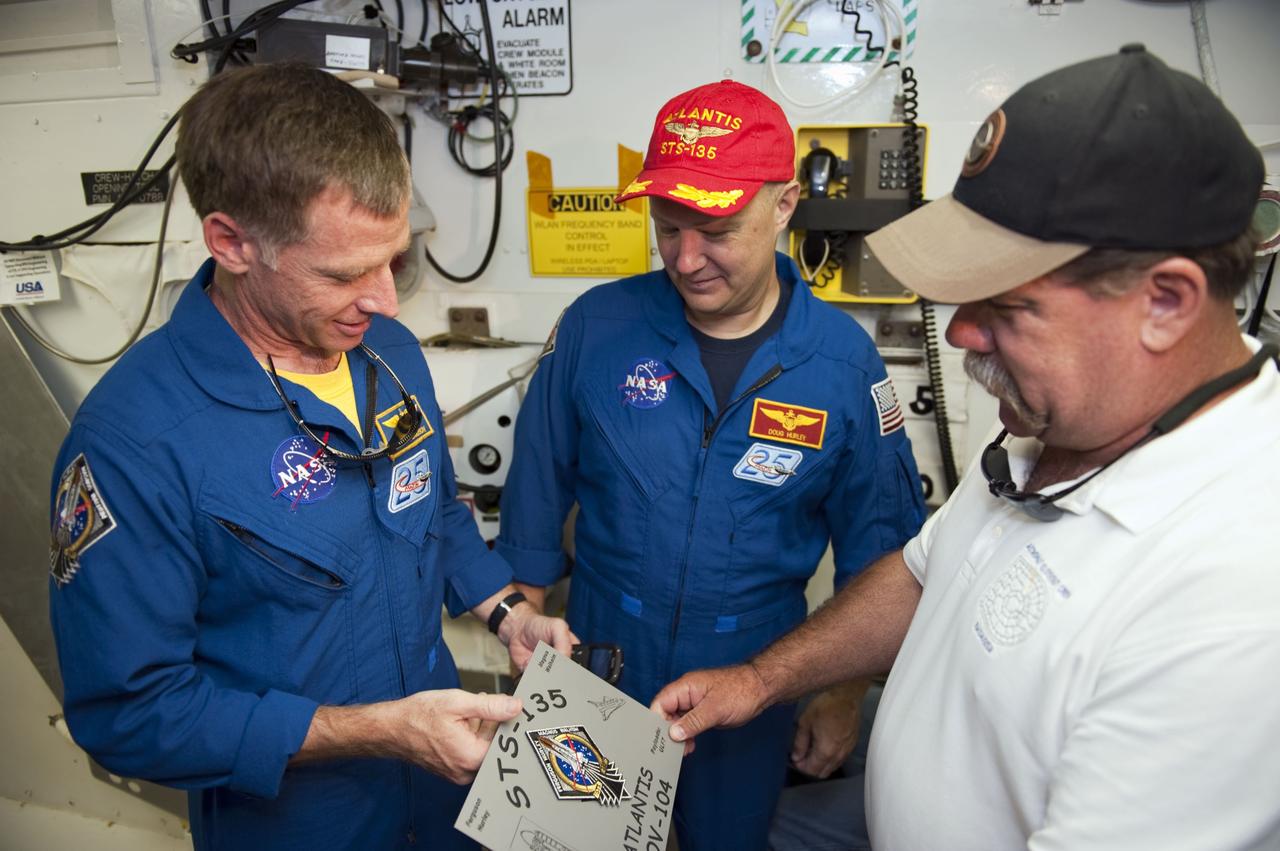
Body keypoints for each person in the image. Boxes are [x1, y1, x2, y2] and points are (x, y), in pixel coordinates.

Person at [654, 44, 1280, 851]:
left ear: (1164, 302)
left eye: (1007, 306)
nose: (960, 332)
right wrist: (760, 680)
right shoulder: (1064, 414)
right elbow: (924, 573)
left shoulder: (1239, 597)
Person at [47, 63, 575, 851]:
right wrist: (376, 731)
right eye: (344, 273)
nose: (387, 299)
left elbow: (428, 505)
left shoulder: (387, 350)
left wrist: (506, 610)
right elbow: (129, 714)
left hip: (442, 780)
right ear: (232, 242)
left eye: (392, 259)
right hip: (293, 814)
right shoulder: (134, 442)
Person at [495, 79, 925, 851]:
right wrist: (520, 637)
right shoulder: (597, 329)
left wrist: (841, 690)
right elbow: (530, 511)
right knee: (563, 844)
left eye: (716, 228)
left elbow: (885, 557)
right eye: (668, 226)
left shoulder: (843, 366)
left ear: (785, 204)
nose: (687, 258)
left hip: (753, 683)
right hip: (593, 670)